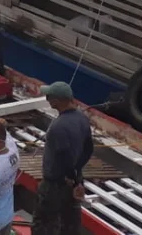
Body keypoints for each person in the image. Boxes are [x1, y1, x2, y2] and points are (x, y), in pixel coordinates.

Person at [31, 82, 93, 235]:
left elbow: (64, 155)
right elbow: (88, 149)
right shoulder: (82, 118)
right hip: (74, 179)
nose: (46, 99)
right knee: (70, 222)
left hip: (56, 184)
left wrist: (69, 176)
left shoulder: (58, 127)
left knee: (43, 223)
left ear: (56, 101)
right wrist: (77, 176)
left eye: (49, 96)